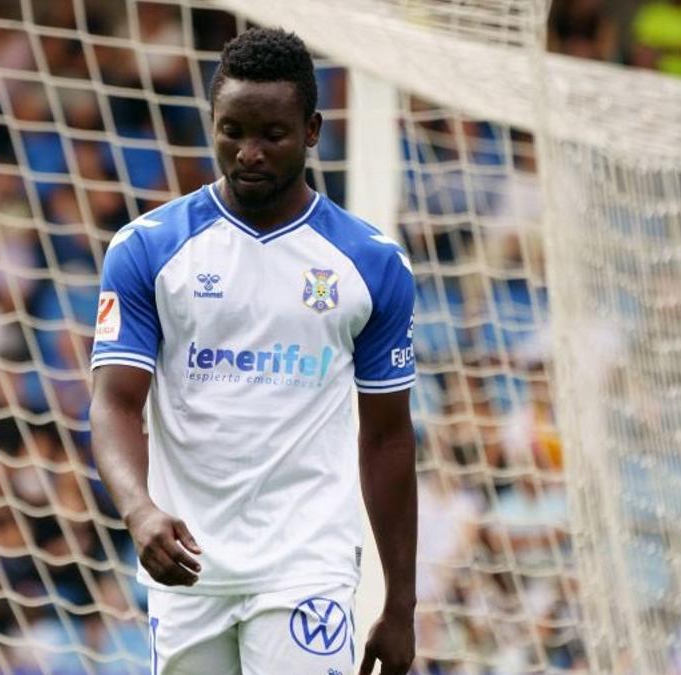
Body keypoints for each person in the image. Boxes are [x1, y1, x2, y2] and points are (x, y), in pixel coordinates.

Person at [88, 28, 417, 675]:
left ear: (313, 129)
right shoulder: (147, 249)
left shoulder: (371, 263)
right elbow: (114, 402)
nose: (249, 152)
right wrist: (139, 508)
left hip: (306, 562)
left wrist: (401, 602)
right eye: (232, 131)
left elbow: (387, 437)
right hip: (188, 564)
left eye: (272, 133)